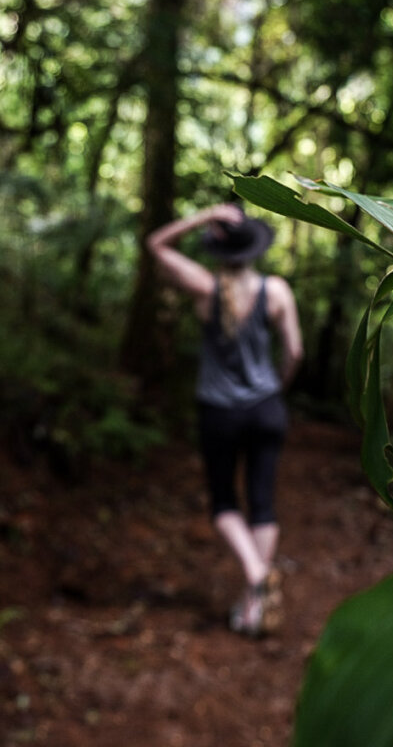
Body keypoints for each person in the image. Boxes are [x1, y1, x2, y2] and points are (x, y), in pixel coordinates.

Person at [147, 202, 303, 636]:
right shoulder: (277, 292)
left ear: (219, 251)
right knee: (263, 504)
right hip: (267, 407)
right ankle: (254, 606)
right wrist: (276, 389)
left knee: (223, 503)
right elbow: (294, 353)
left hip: (218, 411)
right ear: (253, 248)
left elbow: (155, 244)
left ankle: (254, 576)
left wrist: (202, 217)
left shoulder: (203, 287)